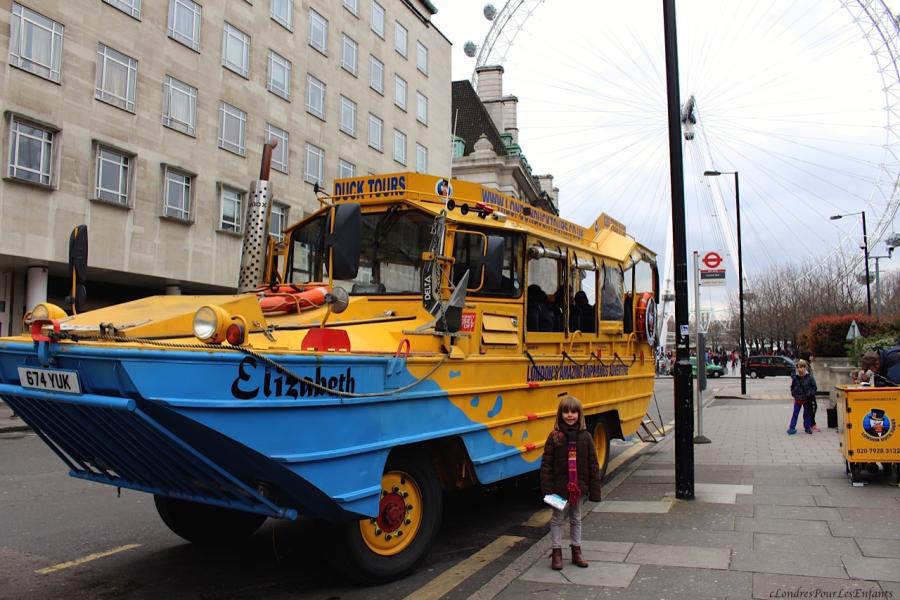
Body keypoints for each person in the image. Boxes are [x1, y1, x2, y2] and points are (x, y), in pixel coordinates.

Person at [540, 395, 603, 570]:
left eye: (573, 412)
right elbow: (546, 464)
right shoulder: (554, 437)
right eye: (566, 412)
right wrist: (548, 489)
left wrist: (595, 490)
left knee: (576, 518)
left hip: (578, 488)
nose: (570, 415)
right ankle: (557, 552)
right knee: (557, 519)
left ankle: (576, 551)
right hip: (559, 489)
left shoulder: (586, 437)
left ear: (579, 414)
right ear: (560, 415)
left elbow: (593, 464)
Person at [787, 359, 817, 435]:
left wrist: (810, 394)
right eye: (798, 367)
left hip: (806, 399)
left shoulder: (809, 377)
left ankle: (807, 428)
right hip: (798, 398)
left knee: (807, 414)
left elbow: (814, 387)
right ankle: (791, 428)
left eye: (801, 367)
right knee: (795, 414)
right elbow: (792, 387)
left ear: (805, 368)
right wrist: (794, 394)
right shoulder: (795, 378)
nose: (799, 369)